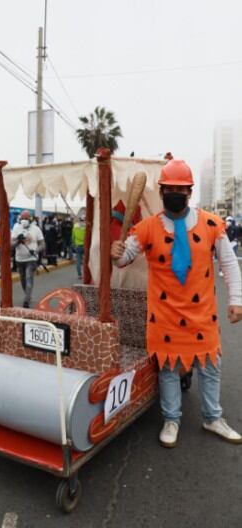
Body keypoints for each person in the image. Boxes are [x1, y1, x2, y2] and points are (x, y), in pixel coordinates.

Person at [111, 159, 242, 447]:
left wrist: (237, 300)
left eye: (179, 189)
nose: (174, 193)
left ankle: (212, 417)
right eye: (168, 188)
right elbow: (123, 259)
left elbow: (230, 264)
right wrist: (115, 251)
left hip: (202, 315)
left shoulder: (211, 224)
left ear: (190, 192)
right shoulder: (146, 228)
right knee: (168, 370)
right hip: (164, 317)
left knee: (210, 367)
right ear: (160, 193)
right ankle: (171, 419)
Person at [11, 210, 44, 308]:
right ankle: (28, 295)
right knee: (22, 279)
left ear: (30, 219)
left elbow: (43, 244)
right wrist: (18, 241)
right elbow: (11, 245)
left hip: (31, 259)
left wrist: (36, 250)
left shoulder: (36, 229)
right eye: (22, 218)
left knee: (29, 277)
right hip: (19, 259)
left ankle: (26, 300)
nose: (24, 220)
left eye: (26, 218)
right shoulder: (16, 228)